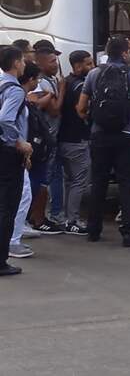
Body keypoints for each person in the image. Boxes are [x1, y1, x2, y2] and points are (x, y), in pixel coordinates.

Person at [77, 37, 130, 247]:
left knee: (98, 182)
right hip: (126, 136)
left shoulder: (93, 74)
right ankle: (128, 233)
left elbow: (81, 107)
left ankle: (93, 230)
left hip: (99, 135)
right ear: (125, 53)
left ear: (107, 52)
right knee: (126, 183)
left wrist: (92, 120)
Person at [0, 46, 31, 275]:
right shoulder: (16, 90)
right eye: (22, 60)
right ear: (16, 63)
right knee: (8, 207)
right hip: (8, 153)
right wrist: (19, 141)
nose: (24, 64)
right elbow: (5, 119)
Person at [27, 45, 63, 234]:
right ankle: (38, 219)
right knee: (41, 181)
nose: (56, 64)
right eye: (51, 61)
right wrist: (60, 90)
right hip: (42, 141)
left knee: (46, 179)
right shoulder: (41, 83)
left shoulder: (49, 80)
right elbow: (54, 109)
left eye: (56, 60)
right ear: (39, 62)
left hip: (50, 138)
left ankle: (37, 216)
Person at [56, 50, 93, 236]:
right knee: (79, 181)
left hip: (65, 138)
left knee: (70, 181)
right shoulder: (80, 86)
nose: (92, 66)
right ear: (77, 66)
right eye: (88, 63)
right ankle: (73, 221)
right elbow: (84, 110)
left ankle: (67, 217)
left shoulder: (68, 82)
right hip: (77, 140)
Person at [8, 61, 40, 261]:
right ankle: (12, 240)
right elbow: (6, 121)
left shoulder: (9, 89)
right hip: (13, 151)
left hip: (11, 150)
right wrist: (21, 145)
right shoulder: (17, 94)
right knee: (23, 195)